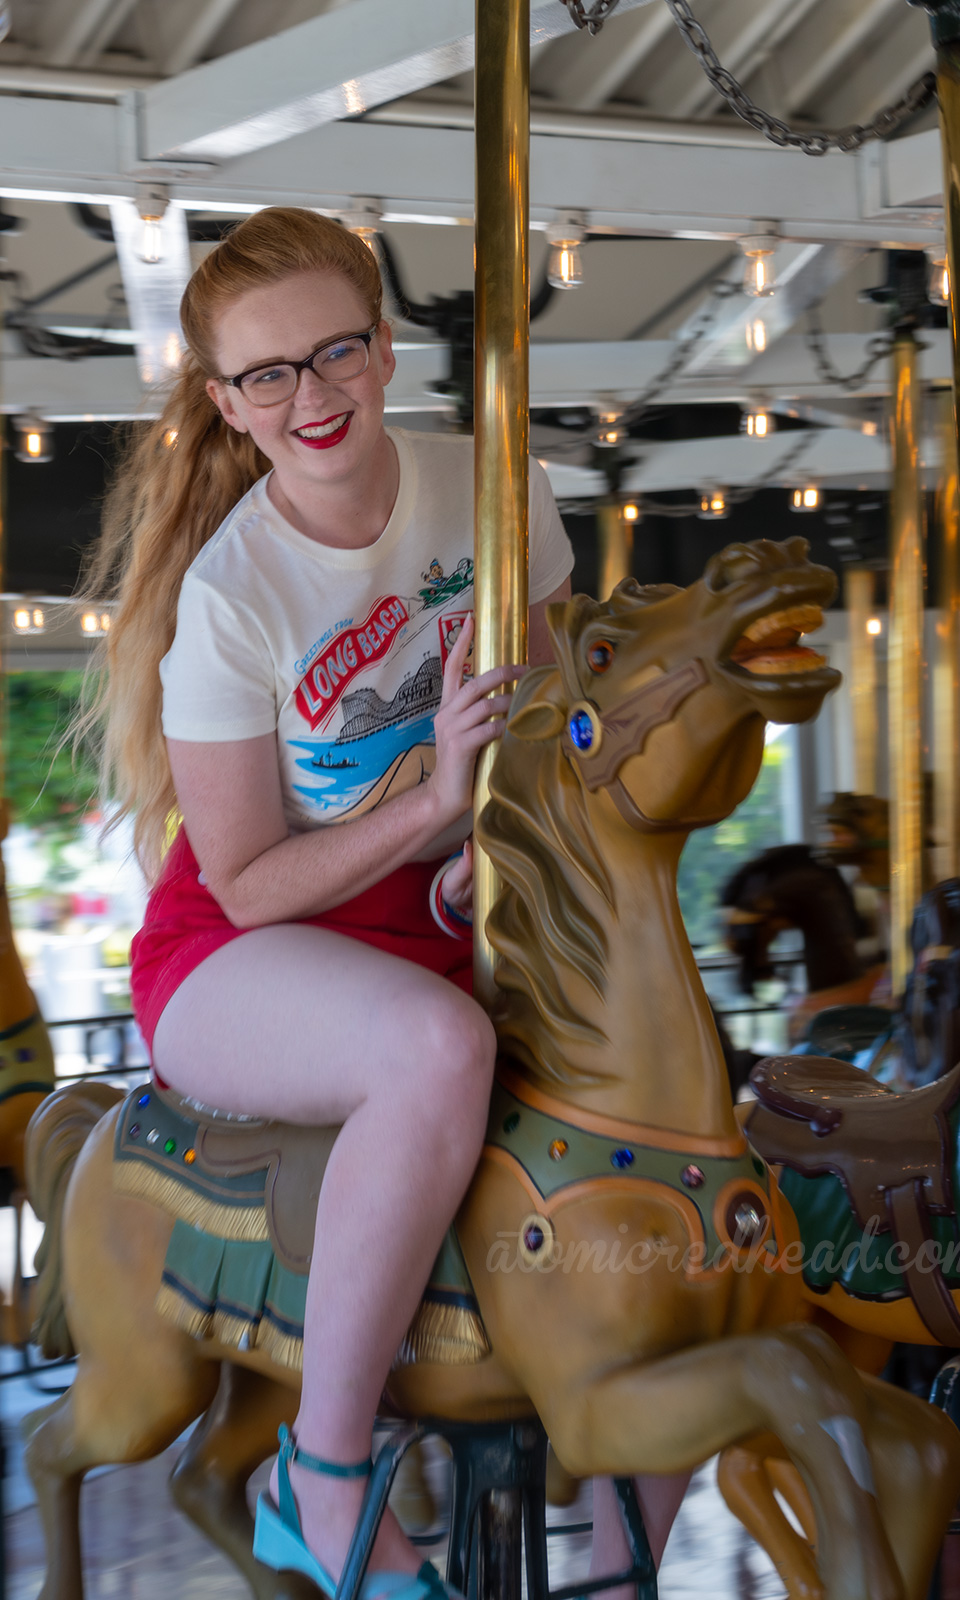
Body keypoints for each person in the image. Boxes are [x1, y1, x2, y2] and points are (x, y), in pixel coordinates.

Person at [86, 206, 688, 1600]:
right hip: (251, 946)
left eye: (335, 352)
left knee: (655, 1098)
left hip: (448, 908)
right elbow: (240, 880)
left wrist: (509, 833)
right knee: (437, 1050)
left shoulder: (495, 496)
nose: (312, 397)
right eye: (268, 376)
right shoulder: (231, 600)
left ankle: (628, 1529)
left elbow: (538, 716)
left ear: (385, 342)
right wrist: (429, 807)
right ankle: (327, 1462)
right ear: (227, 406)